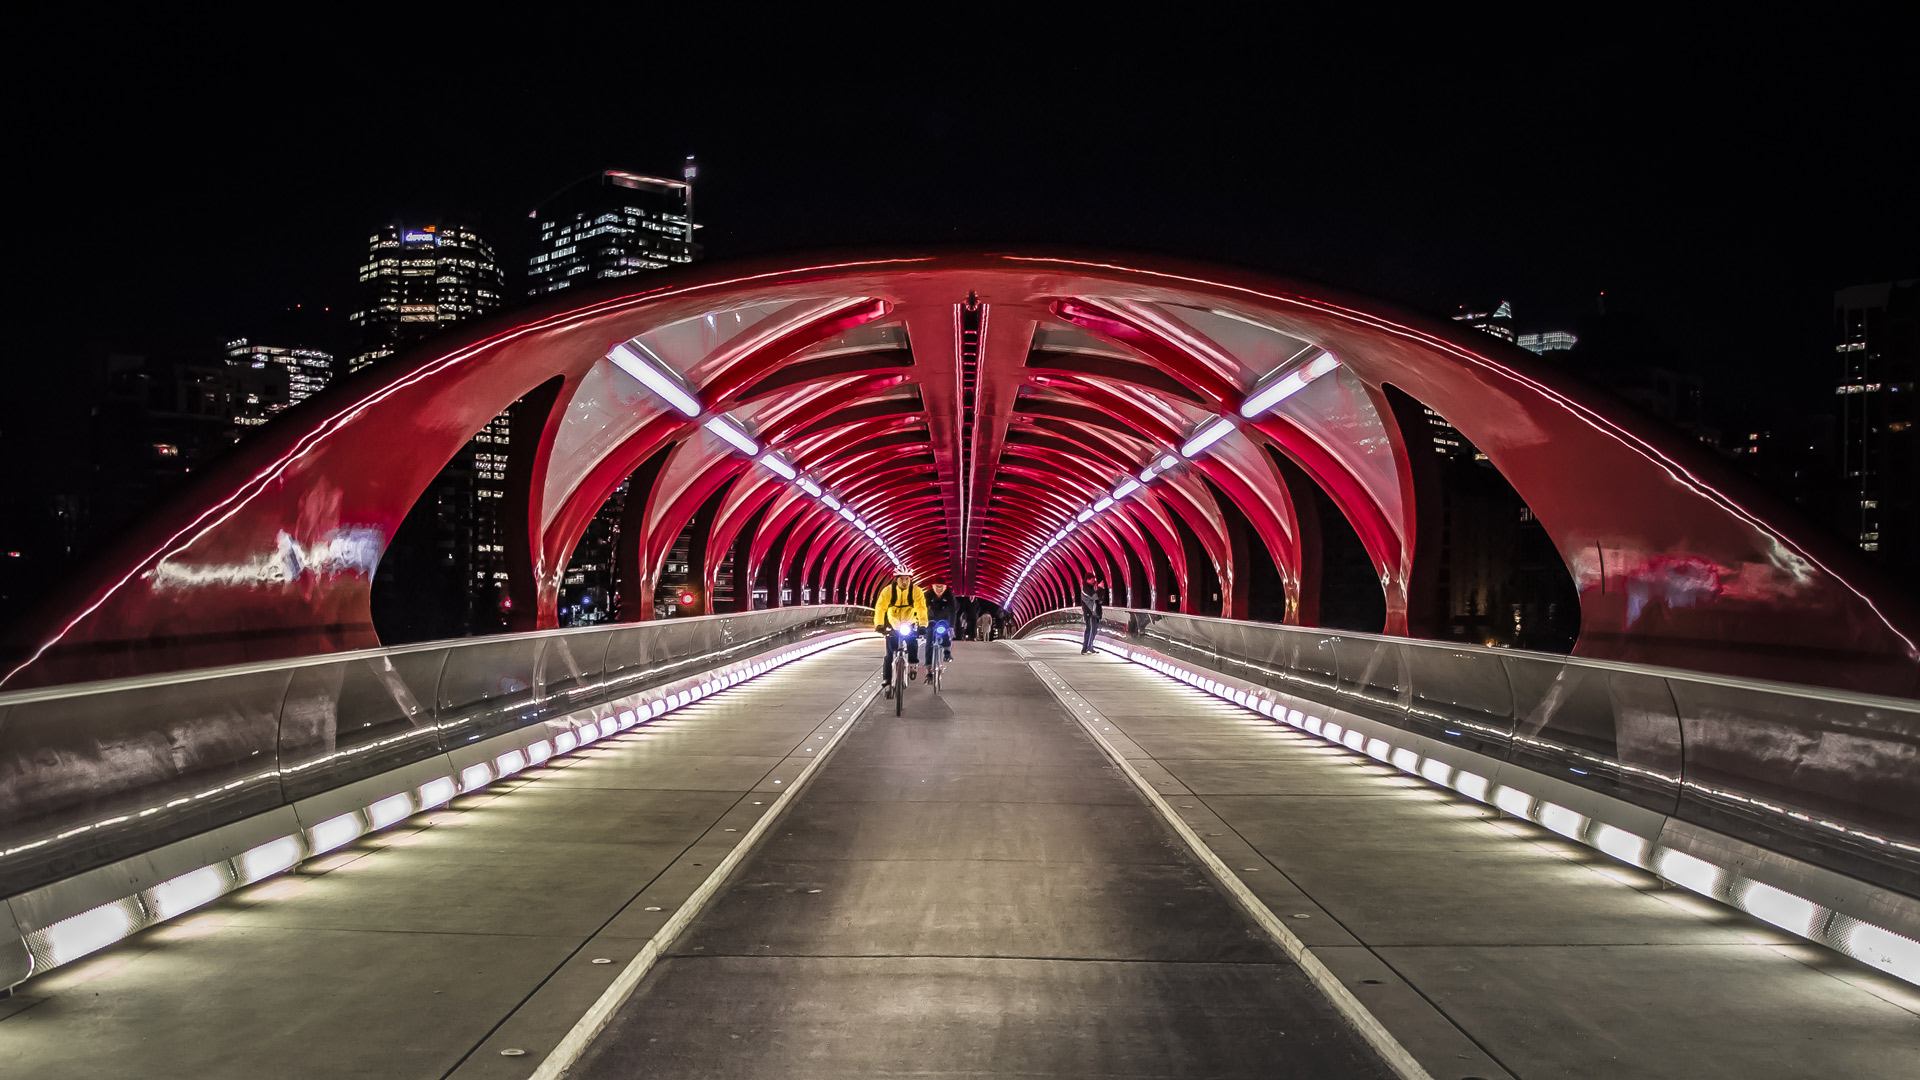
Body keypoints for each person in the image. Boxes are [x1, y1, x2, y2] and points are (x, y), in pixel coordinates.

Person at [872, 572, 928, 697]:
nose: (904, 581)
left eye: (907, 579)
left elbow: (921, 608)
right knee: (889, 654)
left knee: (912, 642)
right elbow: (880, 608)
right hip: (893, 623)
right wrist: (879, 625)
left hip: (909, 622)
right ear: (896, 579)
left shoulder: (916, 591)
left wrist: (923, 625)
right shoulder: (888, 591)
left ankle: (913, 663)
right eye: (901, 579)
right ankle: (887, 680)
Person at [925, 581, 958, 662]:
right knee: (929, 638)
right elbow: (922, 609)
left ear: (945, 587)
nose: (939, 590)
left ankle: (947, 652)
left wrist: (951, 627)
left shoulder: (949, 595)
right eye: (937, 587)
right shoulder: (928, 595)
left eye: (941, 587)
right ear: (932, 586)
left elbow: (952, 611)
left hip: (944, 617)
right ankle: (928, 667)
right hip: (931, 618)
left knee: (945, 630)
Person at [1079, 574, 1105, 653]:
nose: (1094, 581)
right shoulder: (1086, 588)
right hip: (1089, 612)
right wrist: (1100, 588)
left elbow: (1098, 599)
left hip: (1093, 612)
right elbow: (1095, 597)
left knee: (1093, 630)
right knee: (1090, 629)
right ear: (1088, 580)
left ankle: (1089, 647)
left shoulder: (1090, 588)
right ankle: (1086, 648)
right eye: (1093, 580)